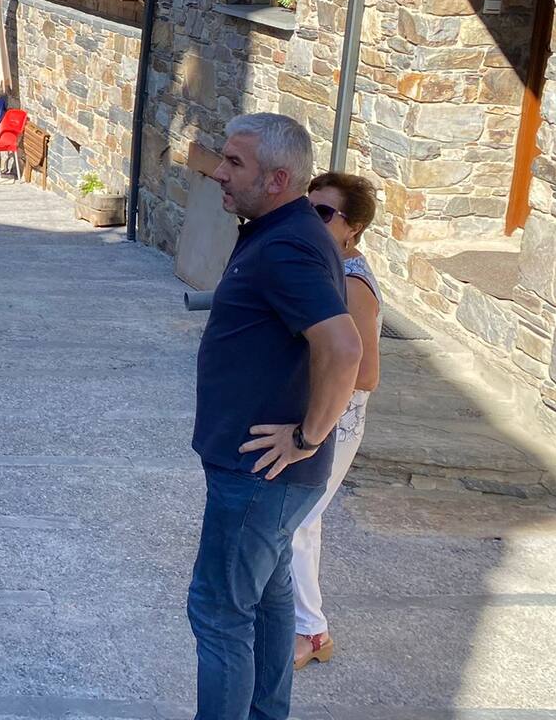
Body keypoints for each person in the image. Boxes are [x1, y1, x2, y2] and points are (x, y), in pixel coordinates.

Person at [189, 114, 363, 720]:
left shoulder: (287, 243)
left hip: (259, 473)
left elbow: (343, 348)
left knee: (217, 610)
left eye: (235, 163)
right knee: (266, 600)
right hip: (259, 472)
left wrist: (308, 435)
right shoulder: (281, 230)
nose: (218, 172)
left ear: (278, 179)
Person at [293, 171, 382, 671]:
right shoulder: (325, 265)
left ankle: (311, 631)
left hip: (334, 422)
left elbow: (366, 373)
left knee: (297, 522)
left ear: (353, 228)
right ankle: (300, 622)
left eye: (324, 213)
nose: (312, 219)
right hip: (316, 413)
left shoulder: (351, 281)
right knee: (301, 521)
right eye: (308, 209)